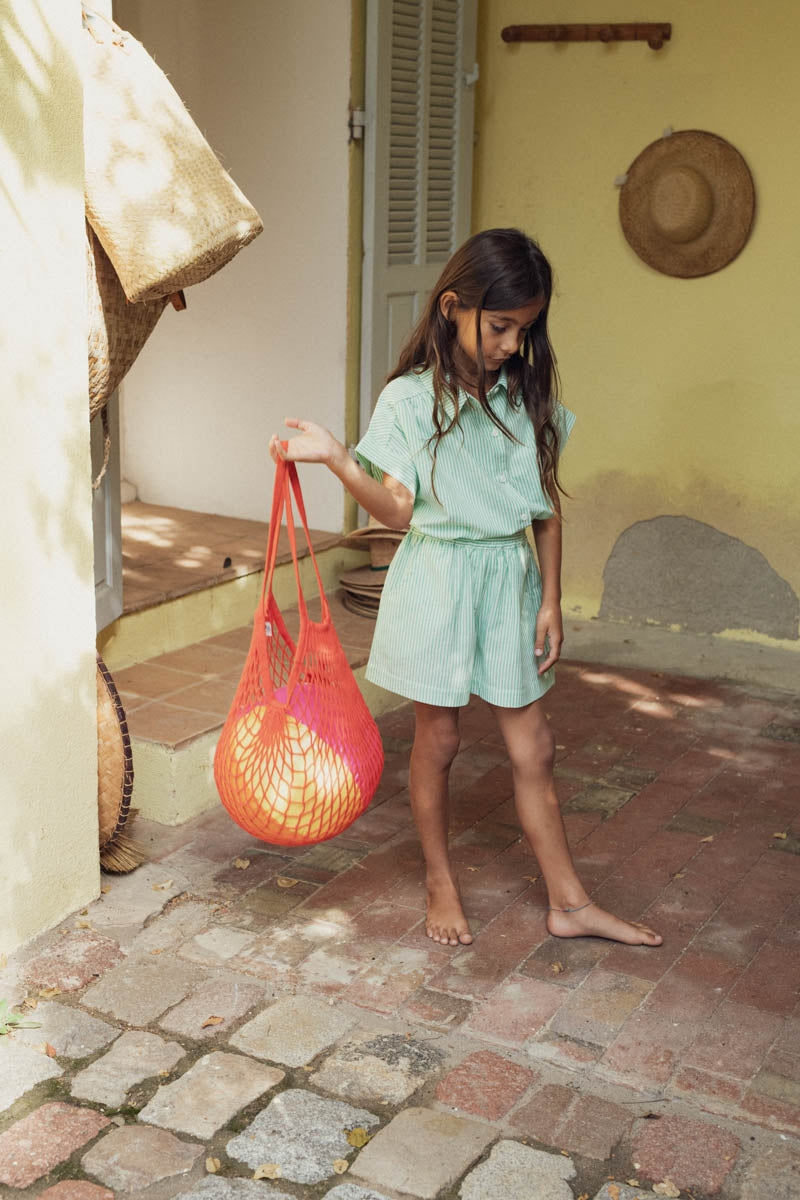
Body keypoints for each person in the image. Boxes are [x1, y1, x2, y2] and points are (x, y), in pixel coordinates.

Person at [270, 228, 662, 950]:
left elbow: (545, 510)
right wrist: (336, 458)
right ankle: (440, 879)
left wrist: (549, 600)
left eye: (526, 328)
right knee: (440, 737)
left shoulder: (525, 395)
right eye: (502, 325)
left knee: (534, 746)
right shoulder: (408, 400)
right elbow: (394, 510)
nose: (513, 343)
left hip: (507, 582)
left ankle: (569, 903)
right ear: (454, 307)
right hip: (437, 581)